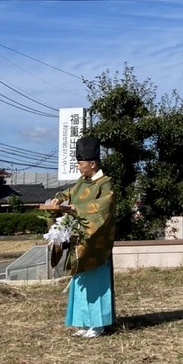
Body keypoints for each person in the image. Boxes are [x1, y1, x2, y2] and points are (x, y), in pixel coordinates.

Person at [49, 136, 116, 338]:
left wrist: (75, 208)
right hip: (80, 240)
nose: (78, 167)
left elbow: (104, 208)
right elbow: (67, 193)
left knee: (95, 281)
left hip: (96, 243)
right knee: (81, 282)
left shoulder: (106, 184)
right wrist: (58, 199)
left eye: (80, 163)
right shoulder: (81, 183)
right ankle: (85, 322)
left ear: (92, 163)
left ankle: (98, 324)